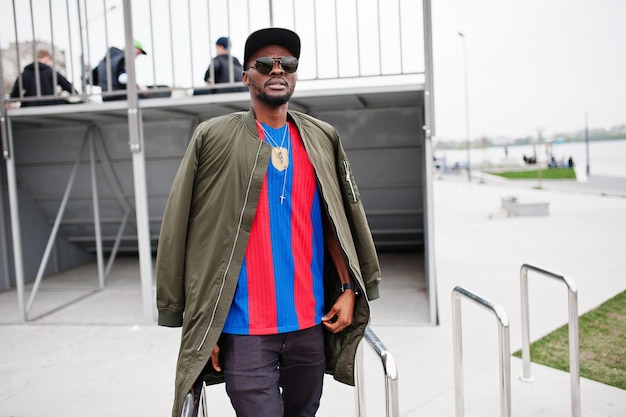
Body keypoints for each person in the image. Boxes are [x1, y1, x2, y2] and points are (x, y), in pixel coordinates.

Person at [156, 27, 381, 417]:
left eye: (287, 64)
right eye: (264, 63)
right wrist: (199, 321)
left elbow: (334, 220)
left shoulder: (320, 137)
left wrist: (348, 287)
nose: (277, 70)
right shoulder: (213, 137)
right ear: (247, 76)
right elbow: (183, 227)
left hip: (309, 324)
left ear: (294, 74)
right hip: (244, 330)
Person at [10, 49, 77, 107]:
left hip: (29, 107)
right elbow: (71, 89)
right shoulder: (51, 72)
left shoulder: (24, 74)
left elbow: (14, 96)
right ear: (47, 58)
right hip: (52, 105)